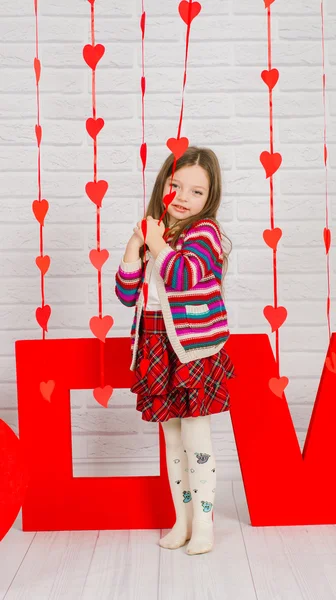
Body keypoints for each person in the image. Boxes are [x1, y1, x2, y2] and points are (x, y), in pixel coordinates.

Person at [115, 146, 236, 555]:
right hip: (155, 343)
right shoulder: (157, 233)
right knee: (171, 439)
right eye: (176, 185)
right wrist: (137, 243)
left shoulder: (205, 234)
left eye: (197, 192)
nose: (184, 196)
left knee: (196, 435)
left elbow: (182, 275)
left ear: (210, 199)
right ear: (163, 186)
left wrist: (157, 244)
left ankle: (204, 523)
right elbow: (126, 293)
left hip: (193, 349)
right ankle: (181, 520)